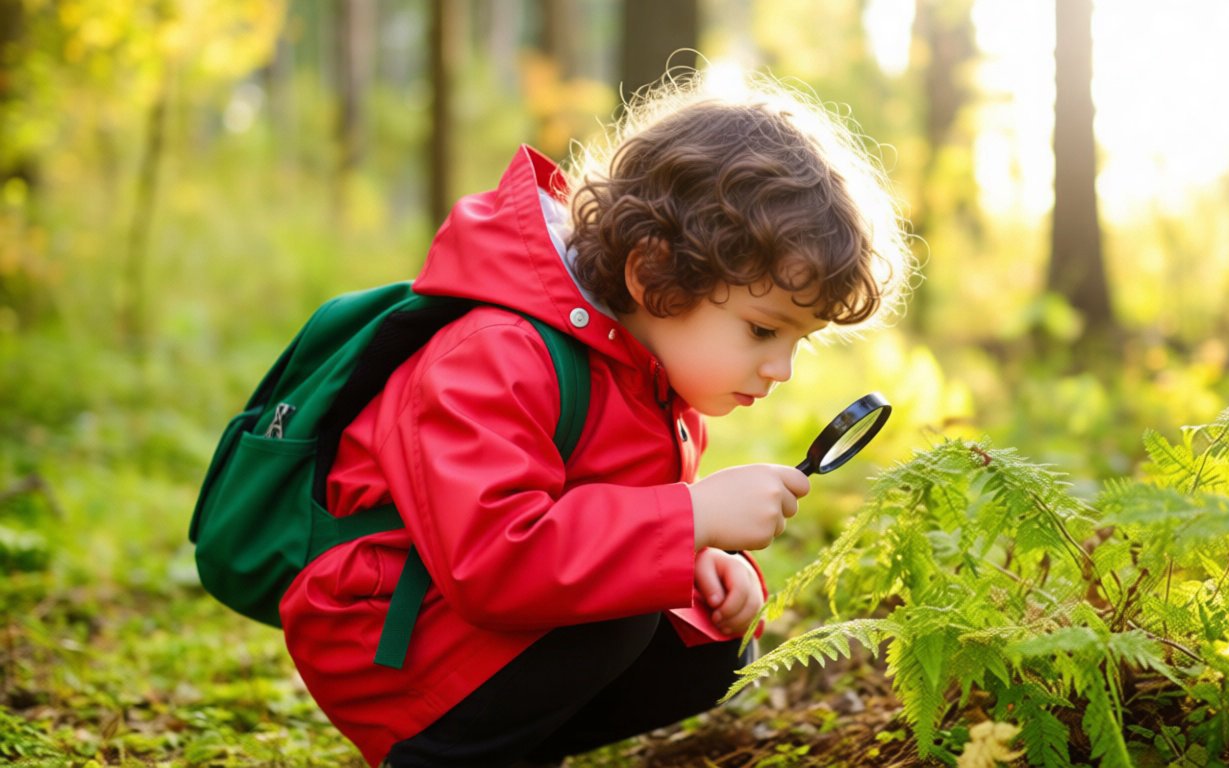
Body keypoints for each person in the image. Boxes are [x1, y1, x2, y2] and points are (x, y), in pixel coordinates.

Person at [279, 70, 912, 767]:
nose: (782, 368)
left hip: (461, 628)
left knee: (707, 638)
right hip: (388, 643)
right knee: (620, 607)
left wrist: (702, 559)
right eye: (764, 331)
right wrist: (689, 519)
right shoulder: (497, 354)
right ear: (653, 274)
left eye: (800, 340)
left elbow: (589, 512)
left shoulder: (649, 377)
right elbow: (493, 560)